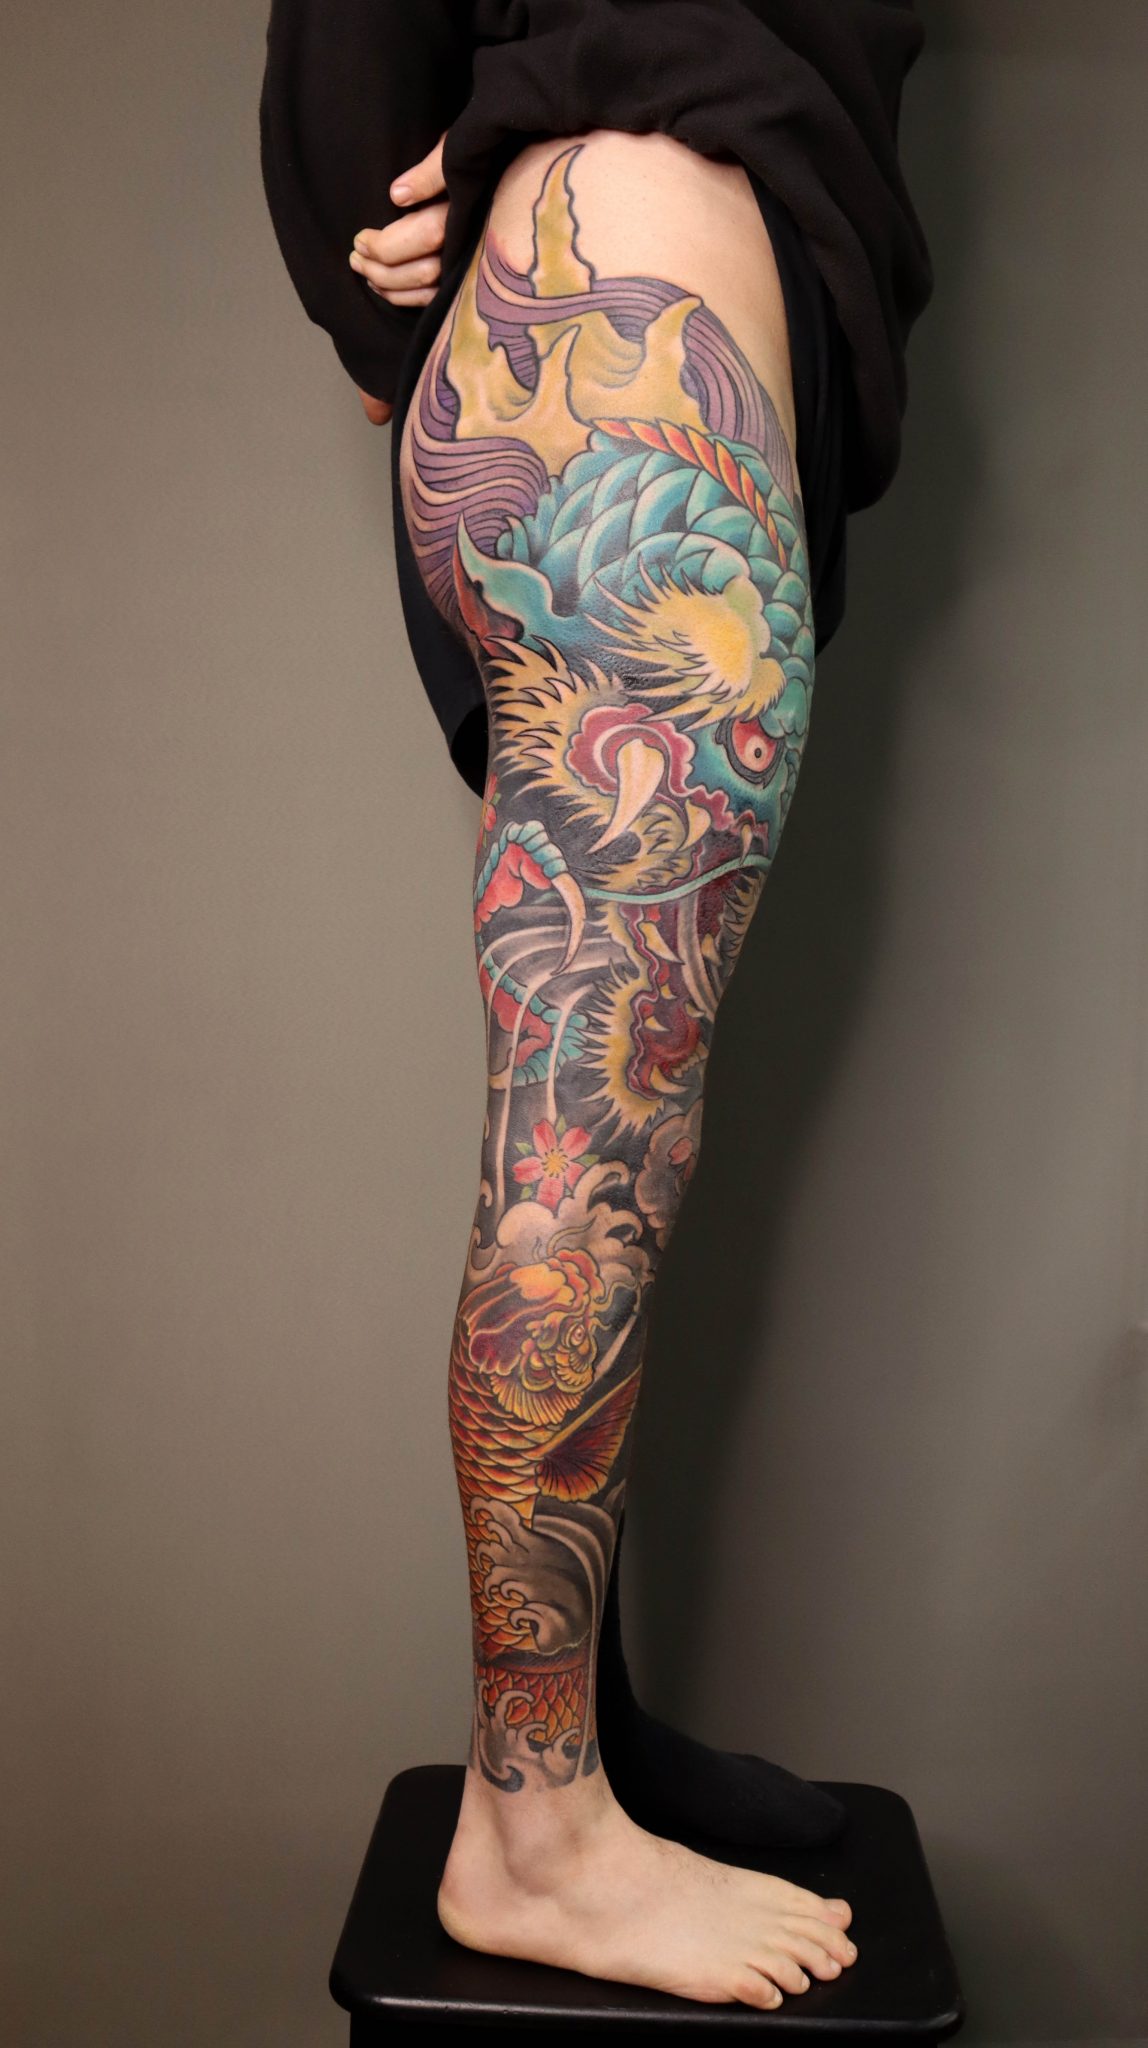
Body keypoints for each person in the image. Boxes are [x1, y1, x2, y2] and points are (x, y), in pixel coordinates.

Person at [260, 1, 932, 2010]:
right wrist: (366, 255)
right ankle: (534, 1828)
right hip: (631, 351)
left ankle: (591, 1737)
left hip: (646, 363)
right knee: (593, 1137)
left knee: (613, 1110)